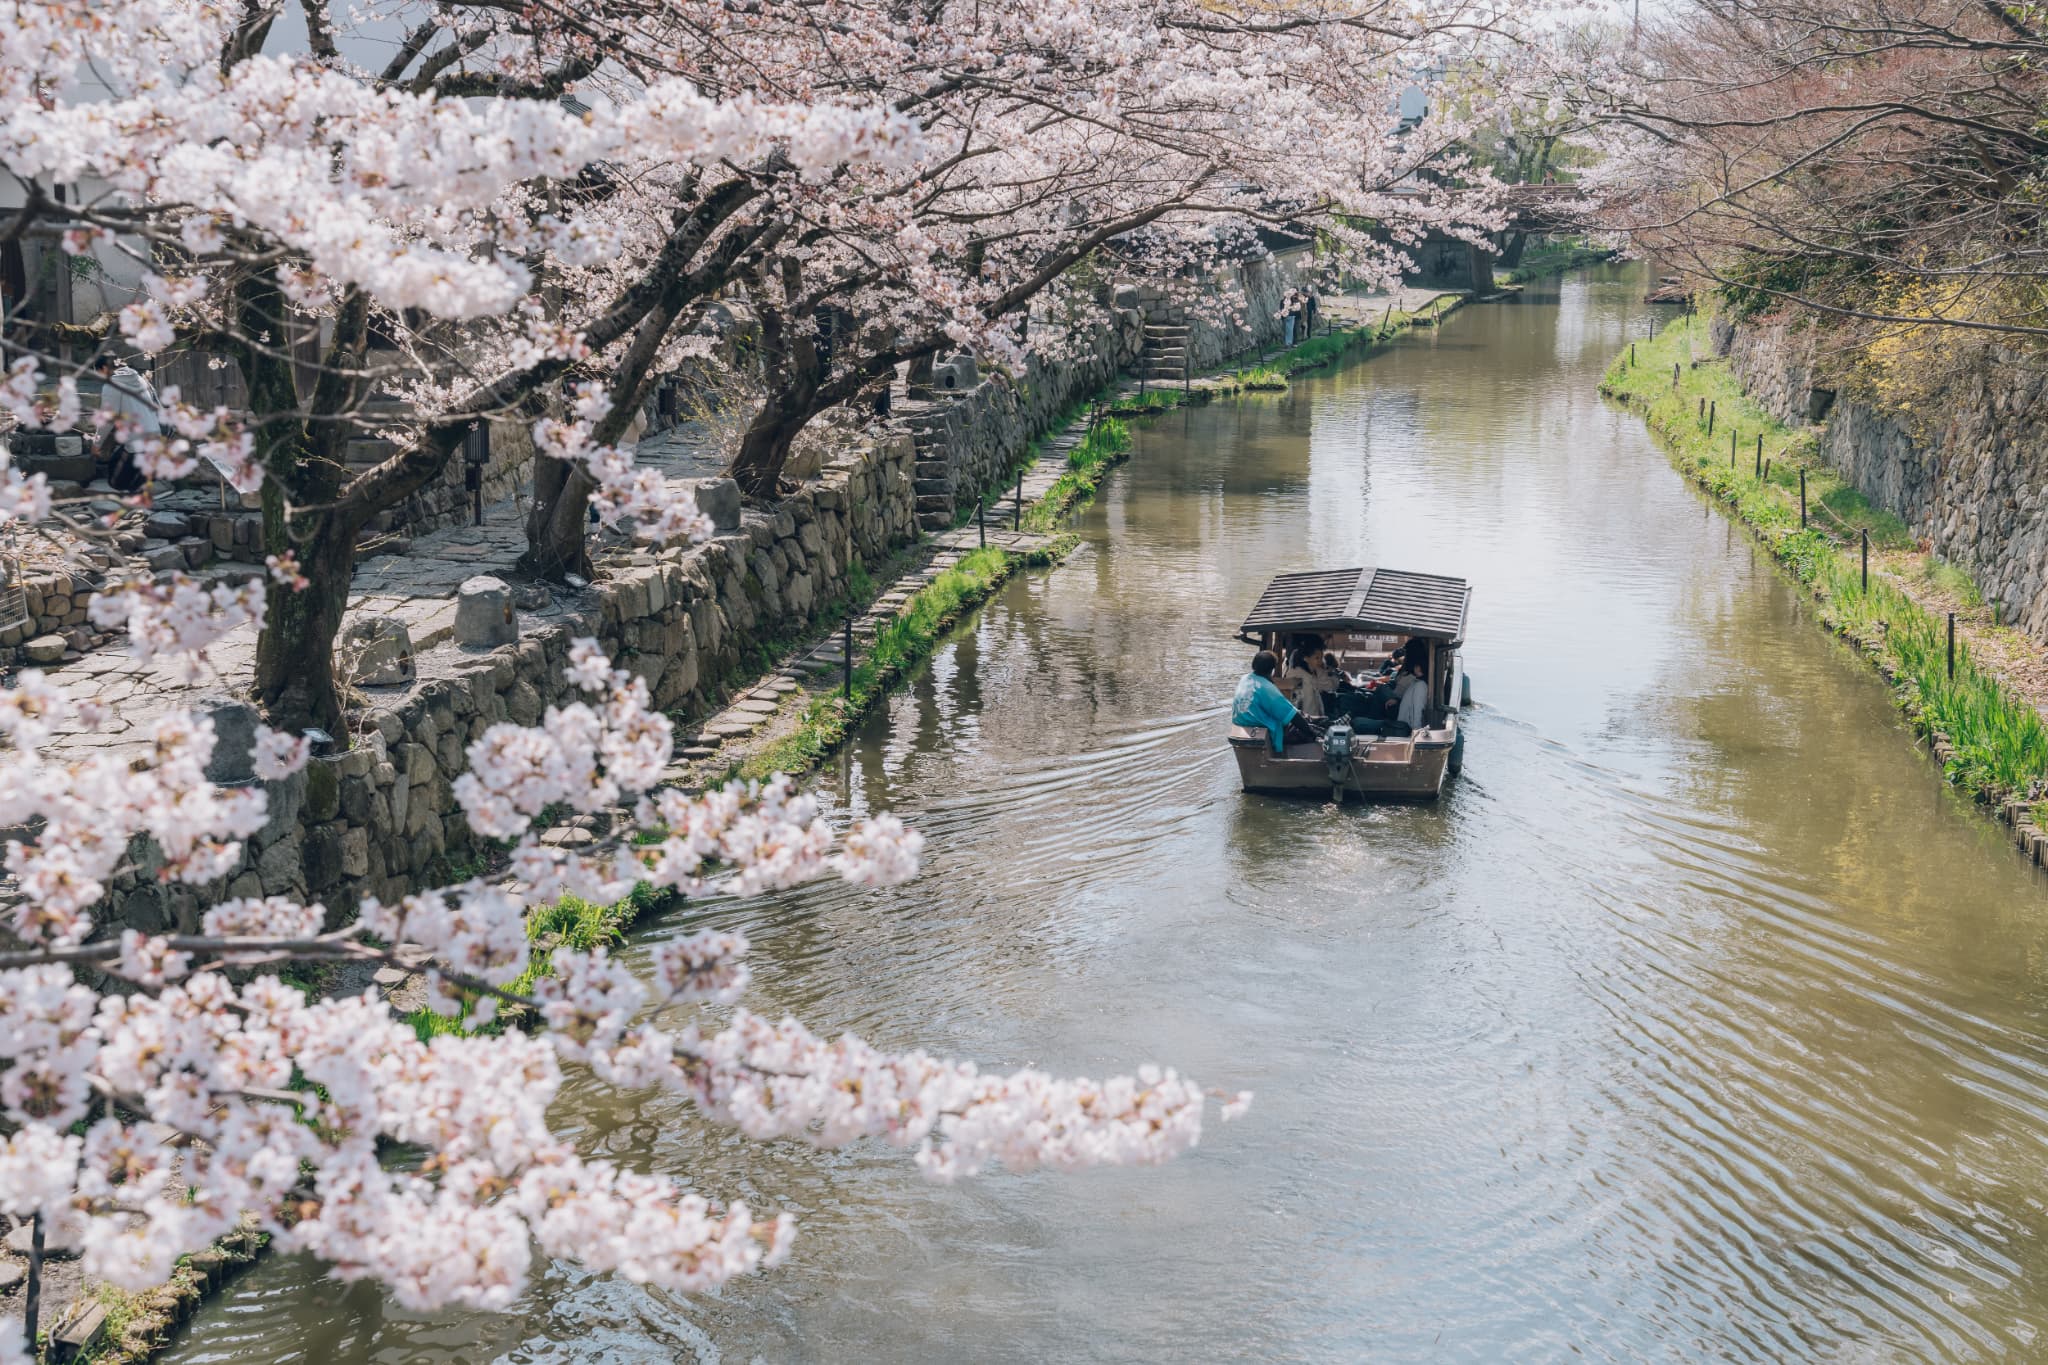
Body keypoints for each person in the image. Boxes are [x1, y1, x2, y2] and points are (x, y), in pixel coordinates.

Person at [92, 352, 160, 493]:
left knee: (116, 480)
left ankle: (135, 504)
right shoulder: (142, 379)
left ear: (104, 368)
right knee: (134, 473)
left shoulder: (111, 386)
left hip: (137, 444)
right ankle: (141, 499)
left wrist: (96, 444)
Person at [1233, 650, 1304, 754]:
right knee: (1302, 731)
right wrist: (1311, 734)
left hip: (1240, 723)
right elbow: (1292, 716)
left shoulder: (1244, 679)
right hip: (1260, 727)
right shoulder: (1267, 688)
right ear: (1272, 669)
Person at [1390, 651, 1430, 735]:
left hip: (1404, 729)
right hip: (1401, 726)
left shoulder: (1420, 686)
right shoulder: (1416, 683)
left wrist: (1416, 730)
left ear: (1419, 668)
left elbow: (1417, 709)